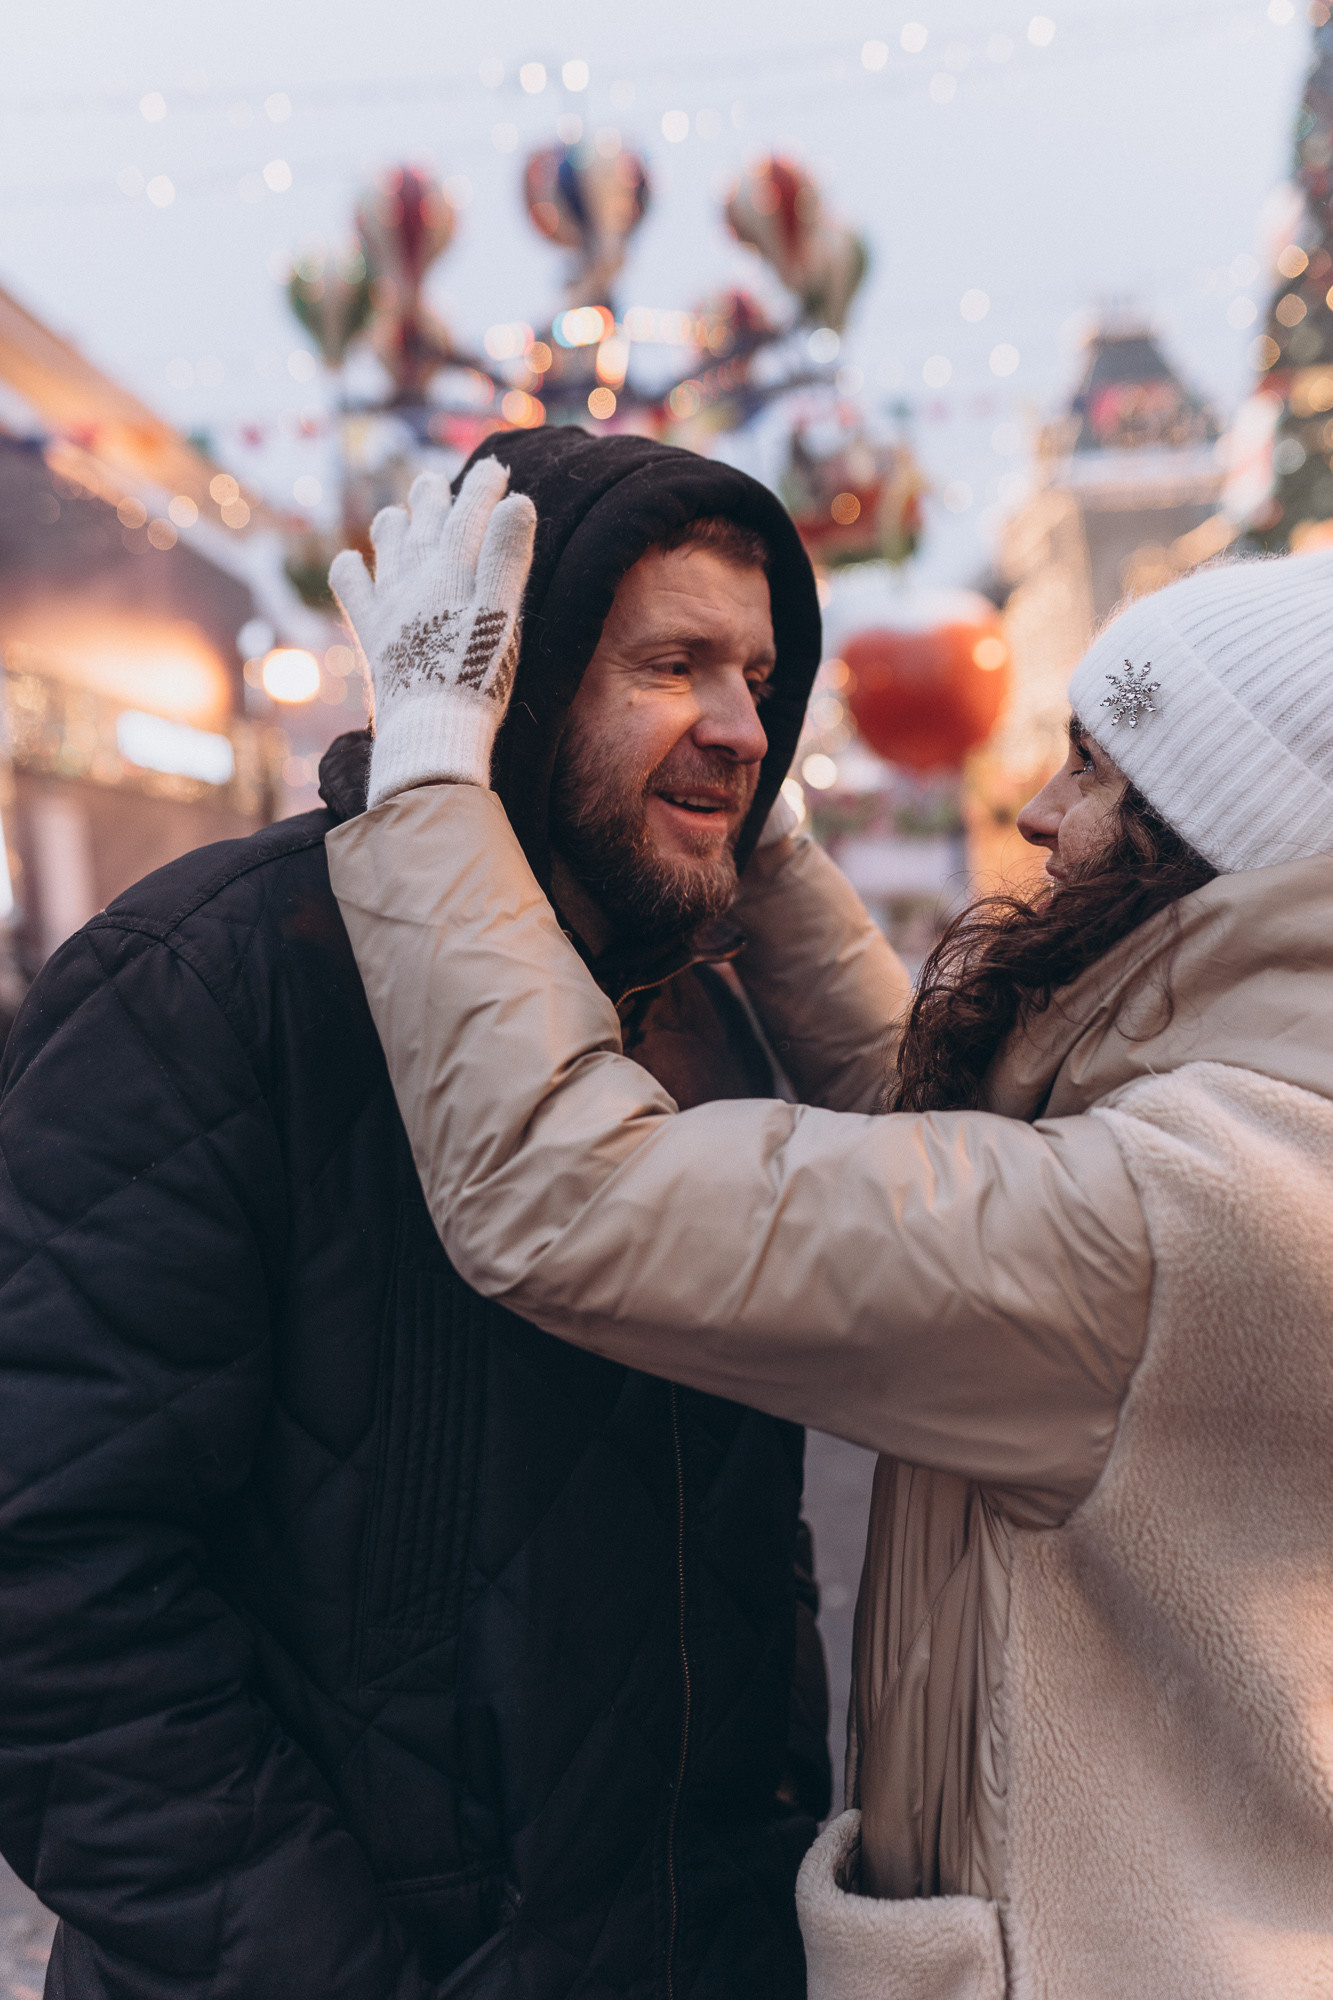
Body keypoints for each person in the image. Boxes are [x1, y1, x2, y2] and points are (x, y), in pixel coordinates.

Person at [325, 465, 1333, 1999]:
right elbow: (952, 1153)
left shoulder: (1190, 1216)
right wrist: (764, 848)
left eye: (1095, 773)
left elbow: (569, 1191)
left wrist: (427, 786)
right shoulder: (1260, 1116)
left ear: (1207, 842)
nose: (1039, 812)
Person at [0, 428, 852, 2000]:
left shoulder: (702, 1017)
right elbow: (53, 1587)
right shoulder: (206, 985)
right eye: (673, 664)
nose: (743, 728)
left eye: (760, 674)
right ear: (508, 685)